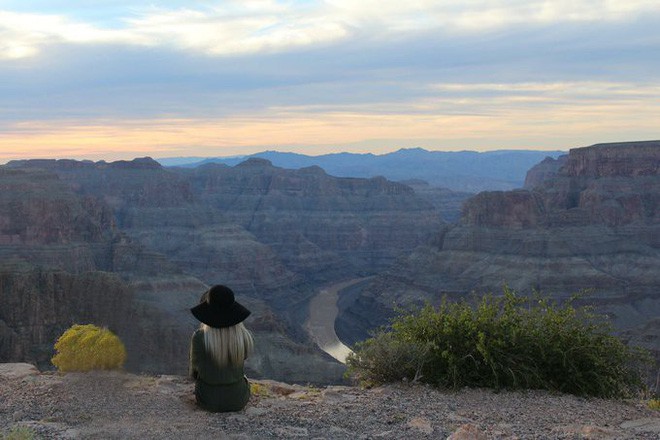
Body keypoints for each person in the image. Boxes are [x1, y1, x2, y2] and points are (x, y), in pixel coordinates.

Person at [189, 284, 254, 412]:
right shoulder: (244, 337)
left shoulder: (199, 337)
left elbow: (194, 371)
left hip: (208, 400)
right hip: (238, 400)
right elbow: (243, 357)